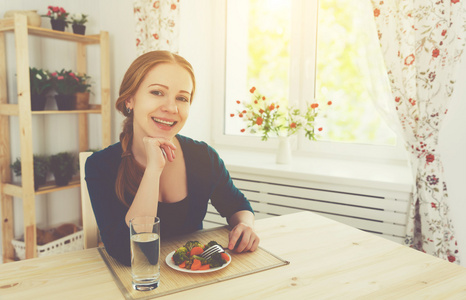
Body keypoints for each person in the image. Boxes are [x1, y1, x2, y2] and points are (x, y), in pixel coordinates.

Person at [85, 50, 260, 266]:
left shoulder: (203, 156)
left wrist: (246, 225)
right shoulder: (100, 166)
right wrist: (153, 170)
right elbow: (127, 254)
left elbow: (238, 206)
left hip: (193, 279)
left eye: (181, 98)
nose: (171, 107)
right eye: (157, 92)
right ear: (130, 99)